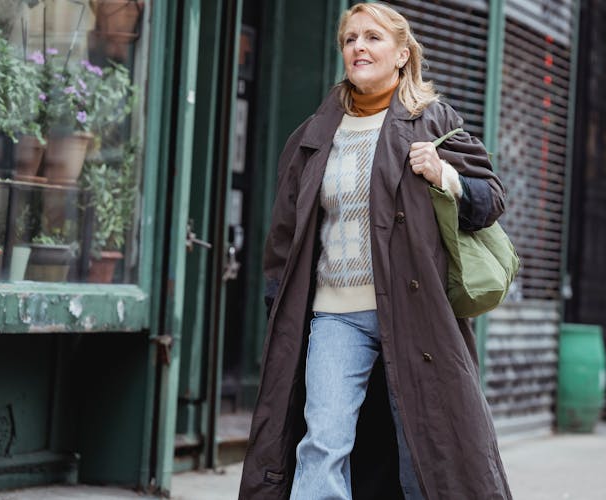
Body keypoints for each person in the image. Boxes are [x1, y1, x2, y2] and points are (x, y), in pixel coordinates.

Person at [239, 3, 512, 499]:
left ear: (402, 54)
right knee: (321, 440)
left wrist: (445, 175)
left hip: (412, 311)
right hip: (333, 316)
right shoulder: (315, 134)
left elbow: (490, 200)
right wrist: (279, 307)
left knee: (426, 446)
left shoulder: (433, 121)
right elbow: (284, 235)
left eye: (373, 38)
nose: (359, 47)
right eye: (350, 39)